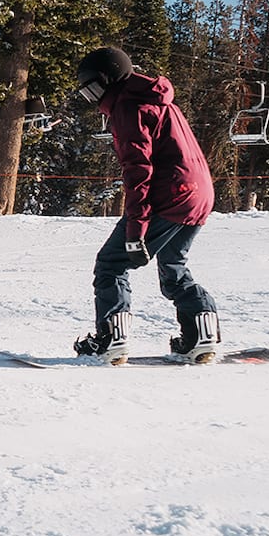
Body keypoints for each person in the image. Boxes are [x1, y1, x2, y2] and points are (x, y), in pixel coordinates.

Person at [66, 46, 220, 364]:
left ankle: (112, 339)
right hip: (198, 193)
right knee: (174, 267)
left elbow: (139, 171)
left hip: (171, 195)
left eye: (92, 89)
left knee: (111, 264)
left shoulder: (128, 107)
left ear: (109, 79)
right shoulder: (159, 100)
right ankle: (200, 333)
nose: (93, 100)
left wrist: (136, 230)